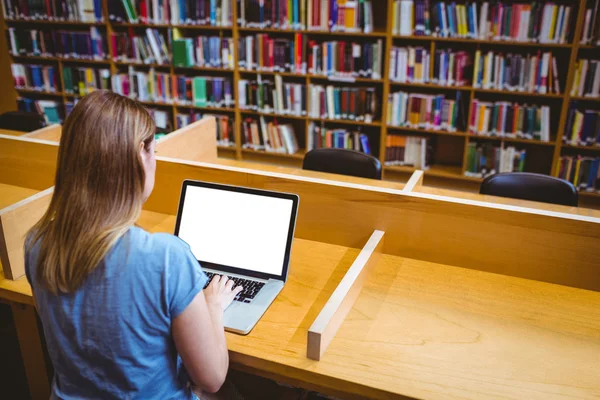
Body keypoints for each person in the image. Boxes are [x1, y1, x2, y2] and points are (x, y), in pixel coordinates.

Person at [24, 90, 243, 399]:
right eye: (153, 149)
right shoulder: (166, 257)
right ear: (140, 154)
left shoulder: (37, 244)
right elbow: (212, 378)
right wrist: (213, 306)